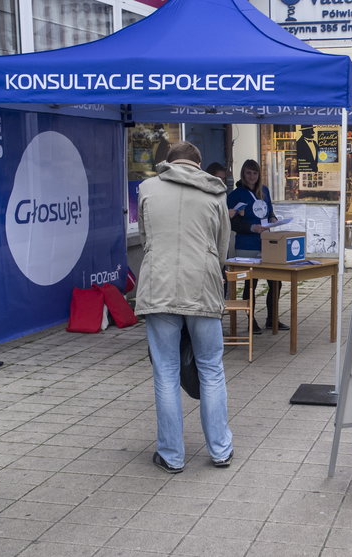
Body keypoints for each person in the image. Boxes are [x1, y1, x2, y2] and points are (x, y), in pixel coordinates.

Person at [135, 141, 234, 473]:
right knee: (211, 369)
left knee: (165, 372)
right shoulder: (216, 193)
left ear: (168, 161)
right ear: (199, 163)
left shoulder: (147, 188)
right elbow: (222, 248)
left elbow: (146, 237)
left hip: (160, 286)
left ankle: (171, 455)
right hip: (202, 286)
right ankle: (221, 450)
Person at [226, 159, 289, 334]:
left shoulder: (265, 191)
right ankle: (251, 320)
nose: (252, 176)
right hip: (247, 244)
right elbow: (231, 223)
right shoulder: (236, 194)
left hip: (267, 243)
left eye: (255, 173)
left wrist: (273, 219)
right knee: (250, 284)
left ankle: (272, 319)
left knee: (275, 281)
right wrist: (251, 227)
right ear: (243, 174)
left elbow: (269, 212)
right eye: (248, 173)